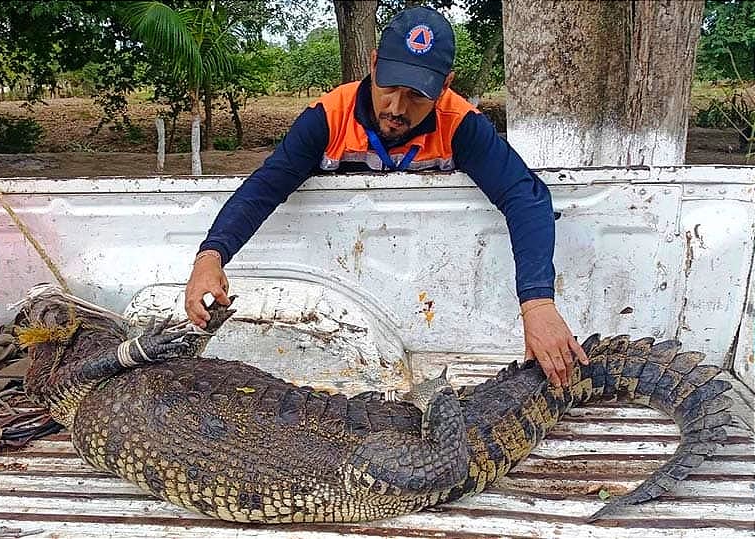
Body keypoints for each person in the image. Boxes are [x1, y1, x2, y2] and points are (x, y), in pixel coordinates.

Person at [185, 6, 589, 387]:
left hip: (433, 307)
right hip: (343, 303)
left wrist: (537, 305)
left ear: (445, 86)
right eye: (389, 87)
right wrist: (211, 256)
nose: (396, 107)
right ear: (374, 63)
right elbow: (264, 187)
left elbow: (525, 195)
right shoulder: (329, 116)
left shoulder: (460, 122)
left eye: (416, 95)